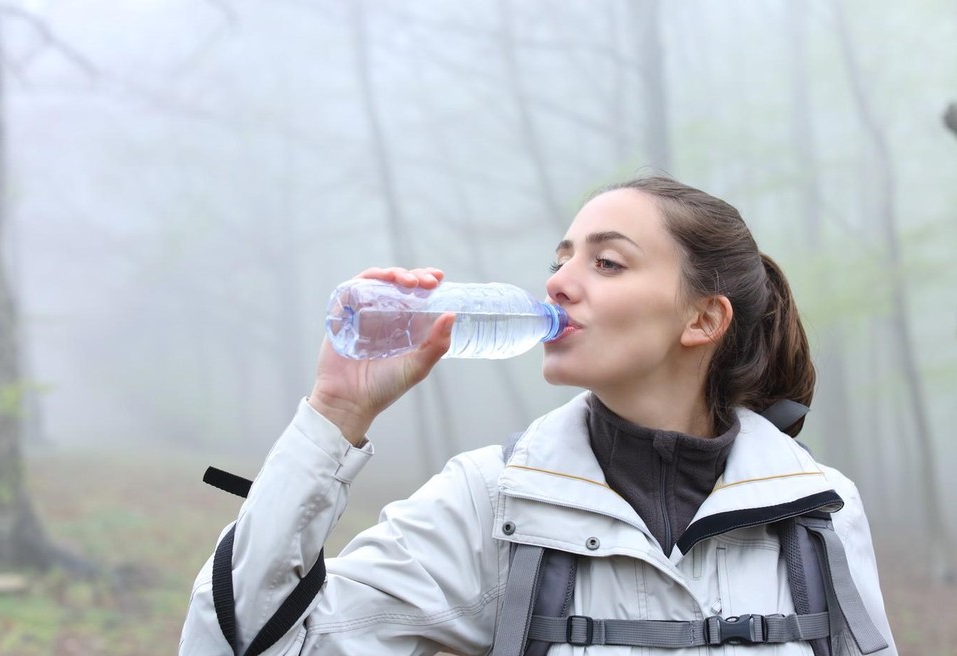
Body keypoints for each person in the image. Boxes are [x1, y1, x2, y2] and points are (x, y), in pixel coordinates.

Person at [180, 176, 897, 655]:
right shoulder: (492, 500)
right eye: (561, 260)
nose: (557, 282)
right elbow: (243, 643)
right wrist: (333, 414)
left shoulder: (818, 512)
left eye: (606, 263)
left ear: (703, 318)